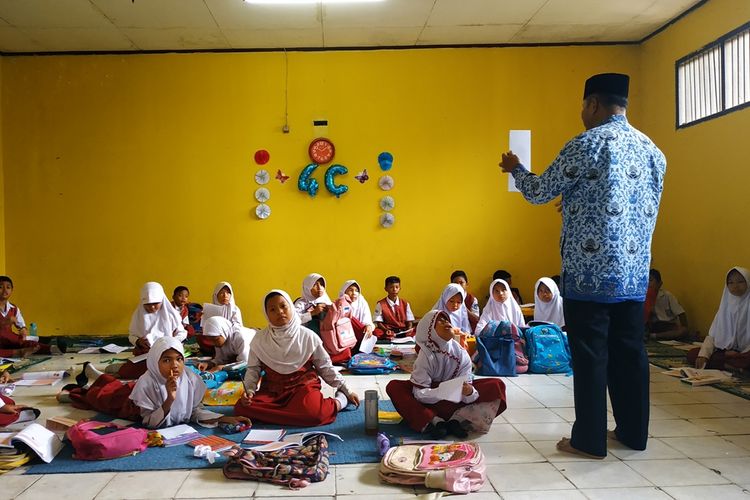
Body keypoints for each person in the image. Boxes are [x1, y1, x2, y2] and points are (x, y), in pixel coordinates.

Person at [499, 72, 666, 459]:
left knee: (591, 354)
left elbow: (540, 191)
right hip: (633, 273)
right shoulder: (653, 150)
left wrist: (515, 169)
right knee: (630, 352)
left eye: (583, 107)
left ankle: (589, 440)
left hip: (589, 275)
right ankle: (632, 434)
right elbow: (636, 206)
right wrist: (576, 204)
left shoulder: (586, 144)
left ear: (592, 104)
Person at [64, 337, 249, 429]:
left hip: (133, 389)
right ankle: (86, 386)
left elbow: (193, 411)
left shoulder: (190, 379)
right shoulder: (146, 382)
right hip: (129, 403)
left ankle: (93, 380)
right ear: (154, 362)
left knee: (109, 386)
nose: (175, 366)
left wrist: (224, 418)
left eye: (179, 359)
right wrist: (169, 399)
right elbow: (149, 424)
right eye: (167, 360)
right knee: (101, 396)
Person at [235, 290, 359, 426]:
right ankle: (291, 414)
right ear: (266, 314)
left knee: (314, 414)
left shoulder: (308, 336)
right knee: (242, 408)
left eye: (283, 306)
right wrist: (249, 392)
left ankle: (339, 401)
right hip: (273, 391)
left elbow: (325, 367)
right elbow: (253, 370)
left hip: (302, 388)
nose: (279, 312)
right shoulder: (259, 339)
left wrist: (346, 390)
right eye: (272, 309)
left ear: (291, 307)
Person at [386, 310, 506, 438]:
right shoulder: (426, 354)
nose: (446, 323)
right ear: (430, 329)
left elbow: (467, 394)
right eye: (440, 321)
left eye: (447, 320)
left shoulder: (461, 353)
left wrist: (469, 391)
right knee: (394, 387)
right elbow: (419, 395)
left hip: (455, 405)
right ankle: (435, 421)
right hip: (429, 403)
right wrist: (443, 391)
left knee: (496, 385)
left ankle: (457, 421)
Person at [118, 282, 187, 379]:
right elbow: (132, 335)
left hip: (167, 353)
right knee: (125, 372)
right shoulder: (138, 316)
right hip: (147, 353)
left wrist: (170, 341)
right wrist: (138, 341)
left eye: (155, 304)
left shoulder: (171, 315)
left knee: (171, 369)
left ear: (162, 301)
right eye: (147, 304)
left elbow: (182, 333)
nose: (152, 307)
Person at [687, 267, 749, 371]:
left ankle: (731, 364)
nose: (735, 286)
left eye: (740, 281)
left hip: (745, 352)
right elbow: (712, 336)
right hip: (726, 352)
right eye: (731, 283)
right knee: (693, 354)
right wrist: (704, 355)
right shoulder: (725, 307)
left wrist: (741, 353)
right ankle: (732, 365)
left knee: (747, 358)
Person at [0, 275, 56, 357]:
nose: (5, 290)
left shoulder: (14, 308)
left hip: (8, 342)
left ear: (12, 290)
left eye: (8, 287)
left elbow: (21, 326)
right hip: (5, 339)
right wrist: (5, 322)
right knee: (10, 337)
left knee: (24, 342)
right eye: (0, 287)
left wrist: (23, 330)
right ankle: (19, 352)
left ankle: (50, 348)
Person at [646, 269, 689, 340]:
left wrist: (684, 326)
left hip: (667, 326)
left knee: (683, 331)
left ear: (659, 284)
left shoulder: (667, 296)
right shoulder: (643, 297)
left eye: (650, 280)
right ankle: (650, 335)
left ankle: (654, 336)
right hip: (651, 326)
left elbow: (681, 313)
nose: (648, 284)